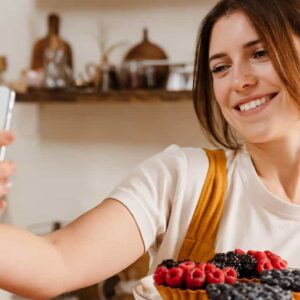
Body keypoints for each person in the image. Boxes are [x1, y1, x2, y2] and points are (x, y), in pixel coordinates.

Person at [1, 0, 300, 298]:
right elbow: (56, 262)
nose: (239, 81)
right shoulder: (183, 179)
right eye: (221, 67)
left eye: (260, 53)